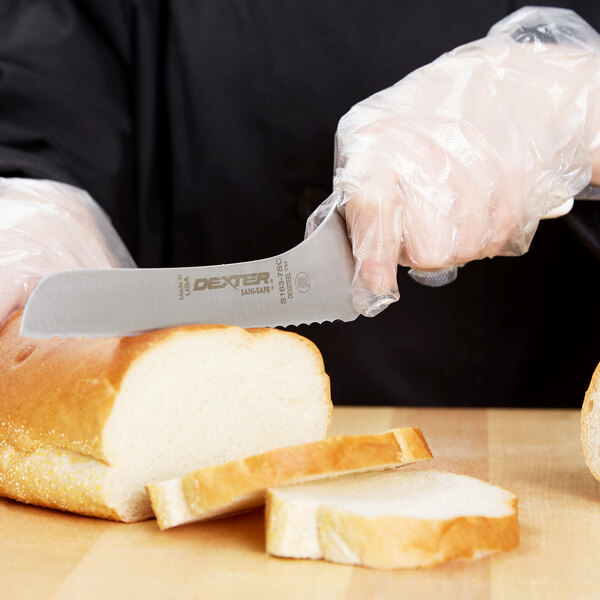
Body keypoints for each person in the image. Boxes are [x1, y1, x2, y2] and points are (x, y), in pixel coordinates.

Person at [0, 2, 598, 408]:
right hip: (166, 408)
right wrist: (30, 194)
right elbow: (57, 49)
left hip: (527, 415)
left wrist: (569, 102)